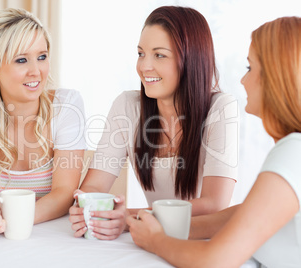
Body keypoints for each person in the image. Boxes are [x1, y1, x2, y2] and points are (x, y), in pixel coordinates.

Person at [127, 16, 301, 267]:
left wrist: (155, 239)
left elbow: (214, 260)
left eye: (250, 68)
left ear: (276, 78)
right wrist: (147, 221)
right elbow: (237, 216)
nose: (243, 80)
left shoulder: (293, 152)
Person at [69, 6, 238, 240]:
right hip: (154, 241)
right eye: (141, 53)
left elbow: (214, 205)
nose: (144, 66)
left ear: (191, 60)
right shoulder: (127, 106)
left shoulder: (221, 108)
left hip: (205, 242)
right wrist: (85, 206)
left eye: (159, 55)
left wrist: (129, 217)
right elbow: (95, 186)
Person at [0, 8, 86, 235]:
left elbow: (64, 191)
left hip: (53, 236)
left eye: (42, 57)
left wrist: (17, 220)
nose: (36, 71)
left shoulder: (67, 106)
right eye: (22, 60)